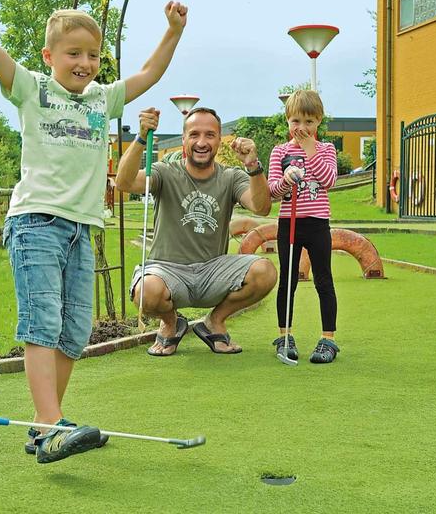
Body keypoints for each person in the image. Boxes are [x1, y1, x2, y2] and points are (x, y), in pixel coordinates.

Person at [0, 0, 187, 462]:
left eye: (92, 55)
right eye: (73, 53)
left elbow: (149, 72)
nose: (84, 62)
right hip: (36, 221)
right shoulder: (32, 90)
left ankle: (47, 427)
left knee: (75, 329)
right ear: (50, 55)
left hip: (82, 229)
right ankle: (49, 421)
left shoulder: (101, 99)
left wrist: (172, 31)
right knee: (42, 322)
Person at [115, 106, 277, 356]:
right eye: (194, 135)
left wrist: (253, 166)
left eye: (209, 135)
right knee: (147, 292)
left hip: (213, 269)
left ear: (219, 140)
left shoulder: (231, 177)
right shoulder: (165, 172)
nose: (202, 142)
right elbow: (124, 183)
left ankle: (215, 321)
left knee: (265, 272)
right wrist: (140, 138)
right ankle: (171, 324)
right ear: (184, 140)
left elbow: (261, 207)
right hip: (167, 269)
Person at [267, 90, 340, 364]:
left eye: (309, 122)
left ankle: (328, 339)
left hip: (318, 223)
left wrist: (310, 150)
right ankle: (285, 336)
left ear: (319, 121)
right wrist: (287, 179)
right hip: (290, 223)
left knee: (323, 279)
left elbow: (329, 180)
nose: (302, 128)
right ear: (287, 121)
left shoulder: (326, 150)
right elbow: (273, 191)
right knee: (288, 281)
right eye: (296, 121)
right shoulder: (280, 152)